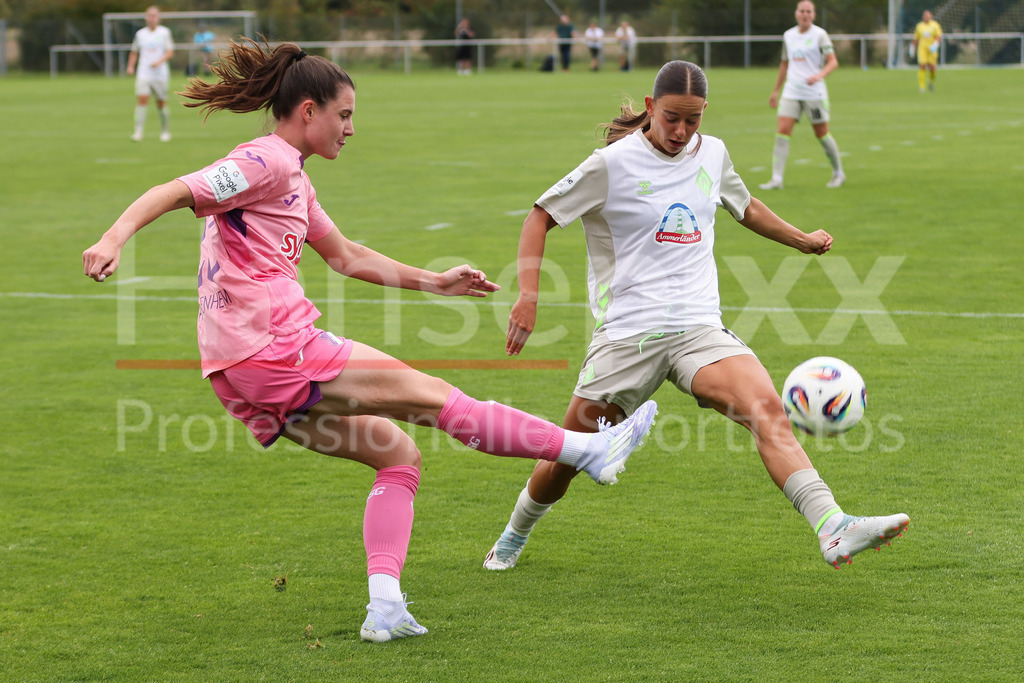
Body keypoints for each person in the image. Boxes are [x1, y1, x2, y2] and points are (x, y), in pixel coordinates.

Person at [82, 38, 657, 643]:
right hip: (275, 347)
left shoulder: (293, 181)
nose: (351, 129)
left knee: (397, 456)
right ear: (309, 111)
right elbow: (176, 189)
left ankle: (384, 608)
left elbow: (348, 256)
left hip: (234, 372)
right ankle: (585, 449)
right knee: (435, 398)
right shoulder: (266, 161)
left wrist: (436, 281)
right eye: (346, 114)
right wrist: (113, 237)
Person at [482, 60, 909, 574]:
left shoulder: (714, 154)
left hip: (699, 329)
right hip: (627, 336)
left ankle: (831, 525)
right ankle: (513, 535)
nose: (681, 132)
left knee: (766, 409)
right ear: (649, 108)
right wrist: (528, 295)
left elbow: (744, 205)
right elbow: (540, 216)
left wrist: (803, 240)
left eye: (693, 120)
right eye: (670, 119)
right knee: (569, 457)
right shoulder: (611, 164)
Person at [759, 0, 844, 190]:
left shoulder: (820, 35)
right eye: (802, 11)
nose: (805, 14)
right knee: (782, 131)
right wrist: (776, 91)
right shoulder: (788, 35)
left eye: (809, 11)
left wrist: (819, 75)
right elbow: (784, 63)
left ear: (813, 15)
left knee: (822, 134)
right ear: (796, 14)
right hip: (791, 91)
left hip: (814, 93)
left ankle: (839, 173)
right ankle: (777, 179)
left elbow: (833, 62)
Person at [127, 5, 174, 142]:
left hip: (160, 75)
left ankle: (165, 131)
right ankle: (138, 132)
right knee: (142, 100)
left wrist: (159, 61)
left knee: (160, 103)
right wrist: (130, 66)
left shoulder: (164, 32)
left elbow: (169, 52)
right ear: (146, 17)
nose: (151, 19)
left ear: (158, 18)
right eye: (149, 16)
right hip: (144, 73)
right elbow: (134, 52)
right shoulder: (140, 34)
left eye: (154, 16)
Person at [912, 9, 942, 92]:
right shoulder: (919, 26)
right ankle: (922, 87)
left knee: (932, 68)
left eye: (928, 15)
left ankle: (931, 82)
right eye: (925, 16)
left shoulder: (935, 25)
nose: (926, 17)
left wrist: (935, 45)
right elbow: (916, 37)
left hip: (932, 50)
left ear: (931, 16)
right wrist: (912, 47)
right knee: (922, 66)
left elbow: (938, 37)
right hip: (922, 49)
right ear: (923, 17)